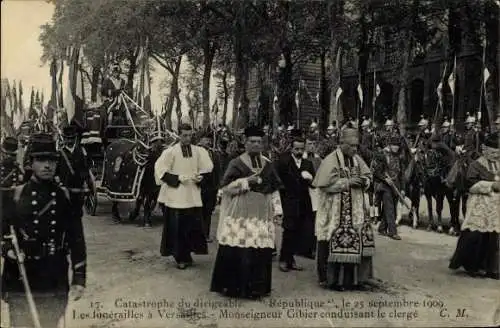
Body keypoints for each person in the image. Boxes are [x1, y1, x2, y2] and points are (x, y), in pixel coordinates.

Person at [1, 133, 86, 328]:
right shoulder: (15, 195)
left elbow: (76, 239)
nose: (47, 165)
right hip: (21, 278)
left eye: (51, 160)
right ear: (31, 163)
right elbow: (3, 232)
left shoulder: (64, 197)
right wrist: (7, 249)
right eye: (41, 160)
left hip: (54, 275)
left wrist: (79, 277)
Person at [210, 126, 283, 299]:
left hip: (262, 213)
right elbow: (225, 188)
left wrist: (278, 209)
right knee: (240, 248)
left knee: (259, 250)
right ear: (246, 143)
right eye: (252, 142)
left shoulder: (268, 164)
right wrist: (245, 181)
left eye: (259, 142)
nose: (256, 145)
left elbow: (274, 189)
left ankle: (257, 289)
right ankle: (235, 288)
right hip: (241, 211)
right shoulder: (236, 163)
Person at [312, 128, 374, 290]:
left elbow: (368, 175)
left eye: (356, 146)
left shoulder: (356, 159)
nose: (355, 149)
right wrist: (347, 183)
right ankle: (329, 279)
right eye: (352, 146)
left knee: (356, 239)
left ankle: (352, 280)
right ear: (342, 144)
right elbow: (324, 185)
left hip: (355, 209)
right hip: (334, 210)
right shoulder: (330, 160)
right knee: (328, 240)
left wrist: (364, 181)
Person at [154, 123, 213, 269]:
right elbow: (160, 170)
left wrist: (201, 177)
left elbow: (206, 168)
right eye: (184, 135)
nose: (187, 138)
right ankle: (180, 256)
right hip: (177, 195)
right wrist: (179, 178)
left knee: (191, 226)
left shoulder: (198, 151)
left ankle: (187, 254)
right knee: (178, 228)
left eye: (190, 135)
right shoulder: (171, 152)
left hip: (192, 193)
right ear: (179, 135)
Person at [449, 134, 499, 279]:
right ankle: (473, 265)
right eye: (493, 151)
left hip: (496, 205)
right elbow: (469, 184)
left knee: (494, 238)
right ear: (486, 150)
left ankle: (493, 268)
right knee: (475, 235)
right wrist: (491, 185)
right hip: (480, 203)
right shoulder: (476, 165)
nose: (495, 155)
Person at [275, 132, 316, 270]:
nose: (299, 152)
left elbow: (314, 183)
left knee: (299, 230)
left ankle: (291, 259)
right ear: (291, 148)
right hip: (289, 200)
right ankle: (283, 259)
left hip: (303, 201)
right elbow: (278, 179)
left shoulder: (307, 164)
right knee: (288, 229)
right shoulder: (284, 161)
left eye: (301, 149)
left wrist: (310, 179)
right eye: (296, 149)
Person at [57, 125, 95, 222]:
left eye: (71, 138)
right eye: (67, 138)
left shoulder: (82, 151)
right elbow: (56, 172)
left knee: (77, 215)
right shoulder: (59, 154)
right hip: (65, 189)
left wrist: (87, 183)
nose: (69, 141)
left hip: (79, 189)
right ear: (64, 138)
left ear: (75, 138)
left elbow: (87, 167)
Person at [372, 136, 405, 240]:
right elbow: (376, 171)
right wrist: (385, 179)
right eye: (394, 145)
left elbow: (402, 174)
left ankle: (382, 228)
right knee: (390, 209)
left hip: (396, 186)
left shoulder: (399, 157)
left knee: (391, 208)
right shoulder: (383, 155)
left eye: (398, 145)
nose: (396, 147)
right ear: (390, 145)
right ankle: (392, 232)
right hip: (385, 186)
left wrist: (403, 188)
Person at [198, 130, 221, 242]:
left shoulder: (214, 154)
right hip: (199, 188)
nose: (208, 142)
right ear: (200, 140)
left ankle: (205, 235)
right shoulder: (196, 153)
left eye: (209, 140)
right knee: (199, 212)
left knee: (208, 212)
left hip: (211, 188)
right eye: (206, 139)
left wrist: (217, 187)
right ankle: (198, 235)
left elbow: (217, 171)